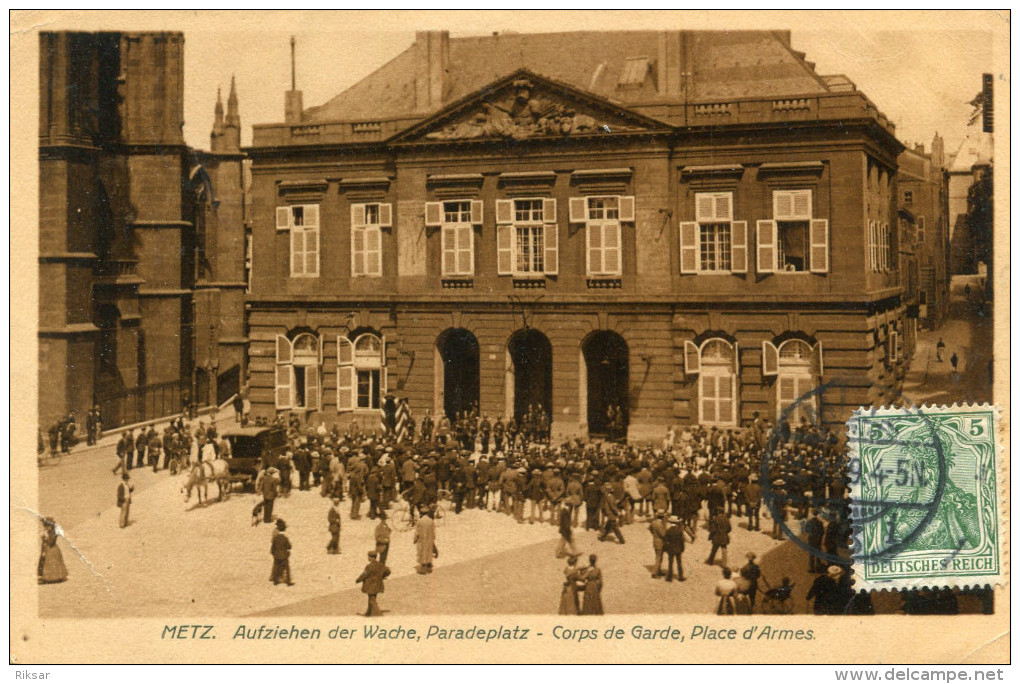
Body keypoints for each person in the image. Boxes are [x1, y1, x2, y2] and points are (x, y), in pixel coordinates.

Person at [355, 551, 391, 617]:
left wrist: (358, 580)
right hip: (378, 585)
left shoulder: (369, 566)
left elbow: (364, 575)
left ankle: (378, 614)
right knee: (372, 598)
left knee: (372, 600)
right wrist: (382, 576)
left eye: (369, 557)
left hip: (370, 585)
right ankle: (368, 613)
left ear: (372, 557)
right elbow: (388, 571)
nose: (368, 558)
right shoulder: (380, 565)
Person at [38, 518, 68, 584]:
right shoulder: (47, 531)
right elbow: (44, 542)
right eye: (45, 527)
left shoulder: (54, 533)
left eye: (48, 527)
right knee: (46, 562)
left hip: (53, 550)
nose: (47, 528)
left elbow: (51, 542)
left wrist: (46, 536)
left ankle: (54, 578)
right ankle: (47, 577)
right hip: (47, 549)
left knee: (52, 563)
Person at [270, 519, 293, 586]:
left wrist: (273, 553)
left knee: (276, 566)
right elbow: (289, 546)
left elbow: (272, 547)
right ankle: (288, 581)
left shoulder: (275, 536)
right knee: (287, 568)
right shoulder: (285, 538)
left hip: (276, 554)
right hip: (283, 555)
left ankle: (275, 581)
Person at [414, 507, 437, 574]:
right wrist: (433, 539)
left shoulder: (420, 521)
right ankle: (429, 567)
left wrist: (415, 539)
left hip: (422, 540)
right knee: (428, 553)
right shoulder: (431, 521)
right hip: (429, 540)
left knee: (422, 553)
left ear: (421, 513)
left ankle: (423, 569)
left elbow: (417, 532)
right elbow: (433, 532)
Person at [663, 515, 686, 582]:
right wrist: (682, 548)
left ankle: (669, 577)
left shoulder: (668, 531)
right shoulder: (679, 531)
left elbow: (666, 540)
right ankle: (680, 576)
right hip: (678, 548)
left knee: (670, 563)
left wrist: (666, 548)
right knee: (679, 563)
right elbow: (682, 540)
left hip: (670, 548)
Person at [649, 511, 668, 578]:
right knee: (659, 557)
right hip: (660, 542)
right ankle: (654, 572)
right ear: (663, 517)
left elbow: (650, 528)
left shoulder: (654, 522)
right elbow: (663, 534)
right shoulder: (660, 524)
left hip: (655, 541)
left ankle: (659, 571)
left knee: (658, 556)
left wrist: (654, 534)